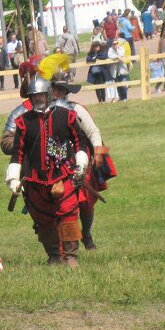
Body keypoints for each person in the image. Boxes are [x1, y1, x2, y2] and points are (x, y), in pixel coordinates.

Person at [5, 76, 88, 267]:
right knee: (43, 219)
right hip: (35, 180)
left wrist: (81, 164)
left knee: (68, 215)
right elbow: (17, 152)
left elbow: (79, 142)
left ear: (48, 95)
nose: (38, 99)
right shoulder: (23, 122)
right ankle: (54, 255)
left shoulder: (65, 116)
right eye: (34, 97)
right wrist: (13, 178)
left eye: (41, 95)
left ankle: (71, 256)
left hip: (63, 176)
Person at [49, 76, 113, 251]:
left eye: (59, 90)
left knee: (85, 202)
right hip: (55, 162)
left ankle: (87, 234)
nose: (55, 93)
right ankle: (62, 241)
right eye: (53, 89)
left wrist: (98, 154)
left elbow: (93, 132)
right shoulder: (44, 111)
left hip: (80, 158)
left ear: (65, 93)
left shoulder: (76, 109)